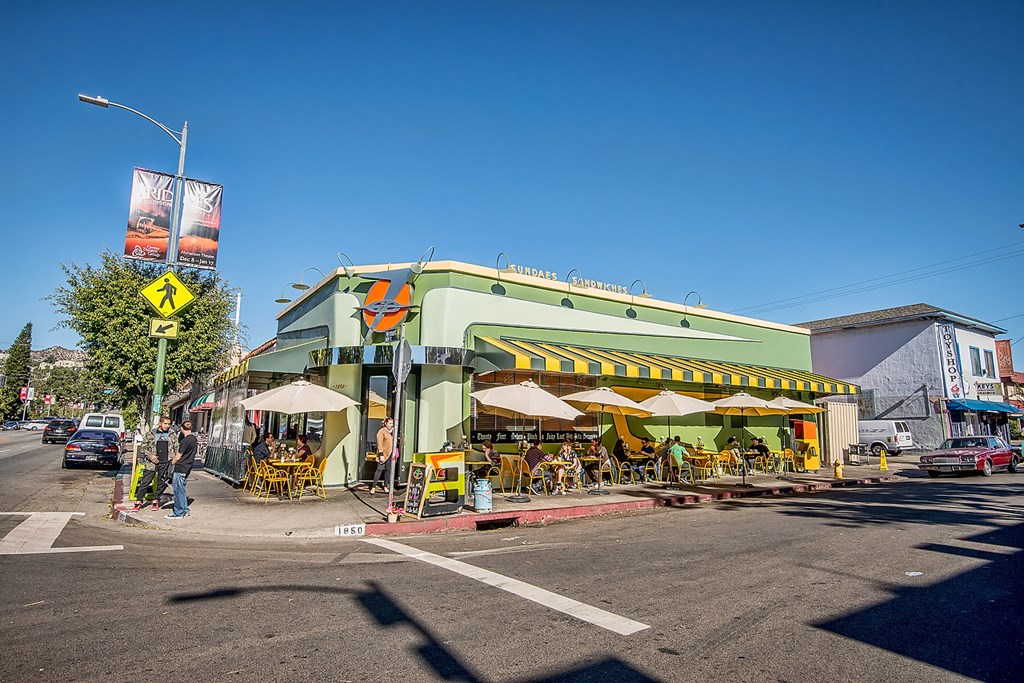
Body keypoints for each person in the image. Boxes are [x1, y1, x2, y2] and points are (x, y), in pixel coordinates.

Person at [133, 416, 179, 512]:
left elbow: (176, 448)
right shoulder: (151, 434)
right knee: (145, 482)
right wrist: (151, 456)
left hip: (166, 463)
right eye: (165, 423)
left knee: (161, 483)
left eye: (168, 424)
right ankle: (138, 501)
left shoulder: (172, 434)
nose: (167, 426)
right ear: (160, 424)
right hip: (152, 463)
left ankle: (156, 501)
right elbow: (143, 448)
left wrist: (174, 460)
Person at [166, 420, 197, 519]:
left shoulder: (184, 441)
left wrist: (171, 463)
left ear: (182, 429)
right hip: (188, 466)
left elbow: (178, 456)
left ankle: (179, 512)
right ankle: (185, 510)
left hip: (180, 467)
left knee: (178, 491)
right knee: (182, 490)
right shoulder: (194, 439)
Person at [369, 417, 395, 495]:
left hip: (390, 453)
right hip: (383, 453)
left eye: (392, 423)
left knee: (388, 470)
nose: (391, 425)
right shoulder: (381, 431)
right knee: (379, 469)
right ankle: (373, 487)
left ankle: (385, 486)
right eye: (390, 423)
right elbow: (379, 443)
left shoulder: (392, 431)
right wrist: (381, 454)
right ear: (386, 423)